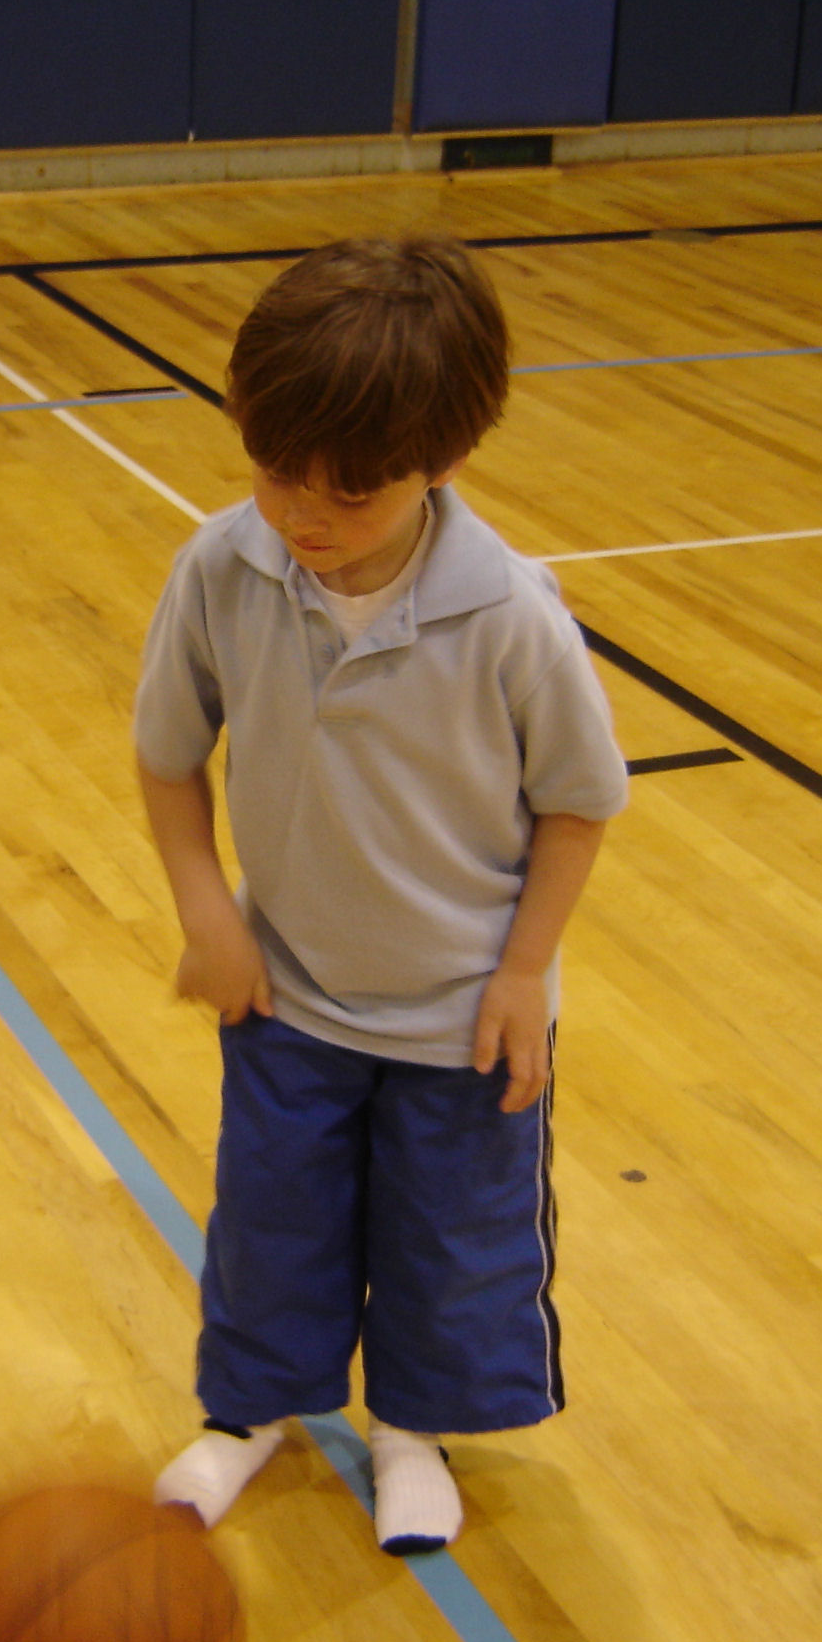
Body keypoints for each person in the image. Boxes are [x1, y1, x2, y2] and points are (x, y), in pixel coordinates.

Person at [132, 235, 631, 1556]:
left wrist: (524, 974)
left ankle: (414, 1432)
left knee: (450, 1253)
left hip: (462, 1022)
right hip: (288, 996)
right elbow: (167, 756)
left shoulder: (514, 617)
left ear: (445, 463)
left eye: (351, 492)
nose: (304, 512)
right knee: (271, 1228)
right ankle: (250, 1417)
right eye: (277, 470)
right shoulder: (221, 571)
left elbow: (581, 800)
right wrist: (207, 913)